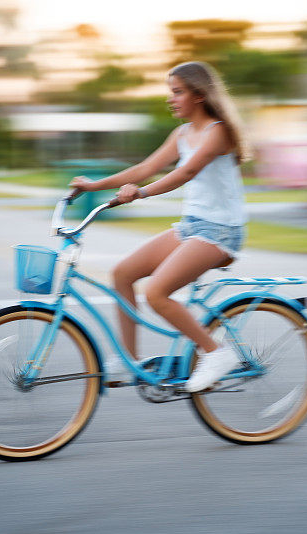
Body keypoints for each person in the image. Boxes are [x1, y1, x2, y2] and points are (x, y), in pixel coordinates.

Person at [69, 61, 248, 393]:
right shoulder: (181, 134)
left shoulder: (217, 131)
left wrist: (142, 194)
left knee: (156, 293)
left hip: (220, 231)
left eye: (177, 92)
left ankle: (217, 353)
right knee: (122, 274)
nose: (171, 99)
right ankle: (128, 359)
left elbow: (185, 174)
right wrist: (94, 187)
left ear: (198, 94)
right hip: (193, 227)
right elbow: (146, 167)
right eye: (171, 92)